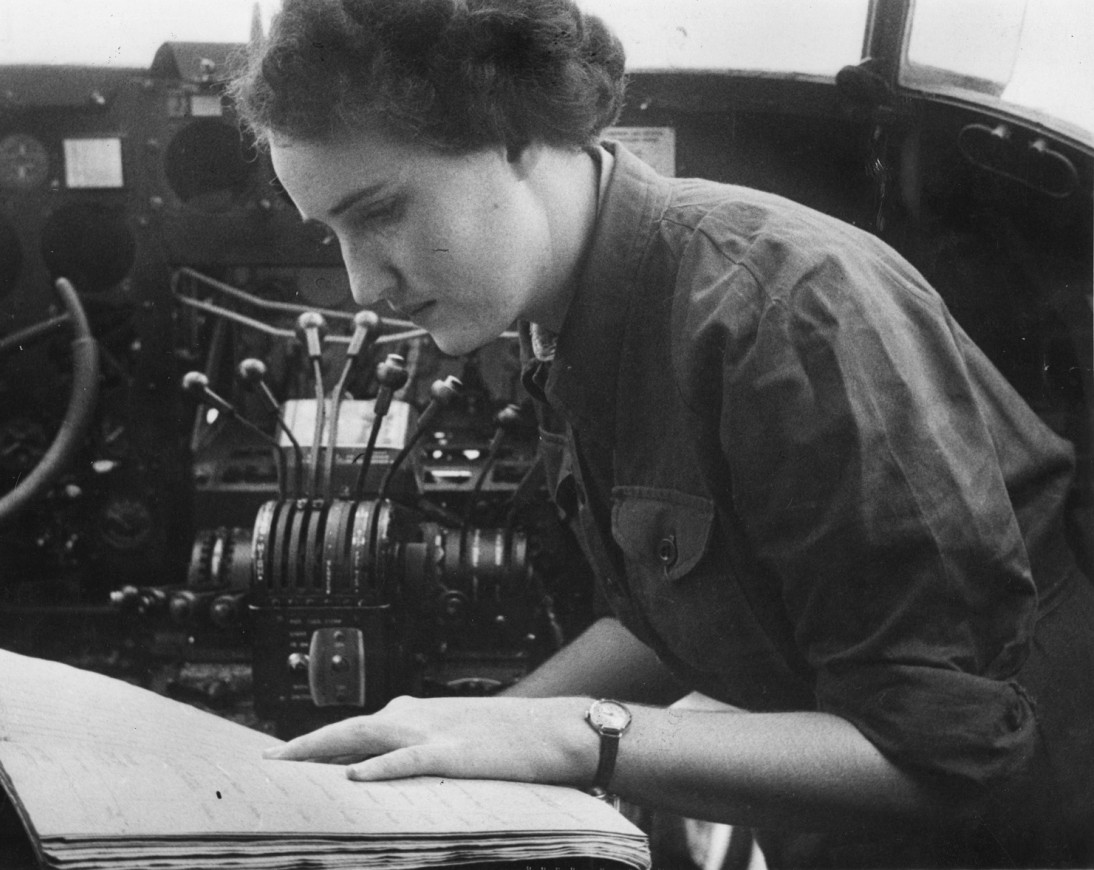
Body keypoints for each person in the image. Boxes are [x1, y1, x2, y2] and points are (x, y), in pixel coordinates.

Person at [228, 0, 1094, 865]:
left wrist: (582, 736)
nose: (357, 285)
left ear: (517, 137)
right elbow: (683, 613)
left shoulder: (780, 316)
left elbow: (960, 754)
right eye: (333, 231)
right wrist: (458, 740)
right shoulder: (566, 314)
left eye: (378, 213)